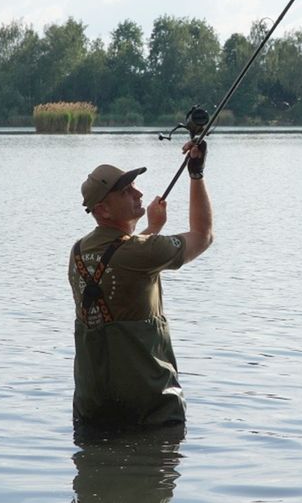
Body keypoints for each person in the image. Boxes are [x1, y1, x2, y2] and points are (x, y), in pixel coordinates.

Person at [69, 140, 212, 429]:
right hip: (151, 410)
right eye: (126, 191)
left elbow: (122, 259)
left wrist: (152, 229)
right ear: (103, 210)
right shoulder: (145, 253)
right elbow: (203, 234)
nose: (139, 192)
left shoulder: (78, 252)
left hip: (93, 410)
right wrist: (196, 174)